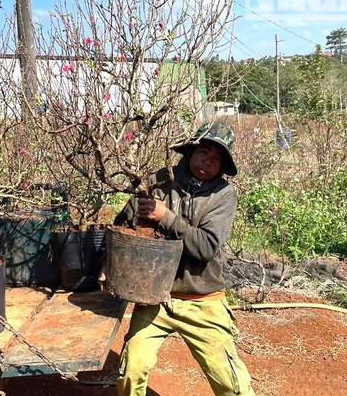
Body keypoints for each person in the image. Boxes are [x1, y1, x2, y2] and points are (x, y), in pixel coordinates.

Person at [103, 122, 255, 396]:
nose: (208, 163)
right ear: (190, 151)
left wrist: (166, 218)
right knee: (131, 371)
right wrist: (136, 219)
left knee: (234, 386)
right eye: (204, 153)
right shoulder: (160, 180)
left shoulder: (222, 195)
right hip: (155, 298)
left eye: (217, 159)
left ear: (223, 166)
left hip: (202, 301)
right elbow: (122, 226)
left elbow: (206, 247)